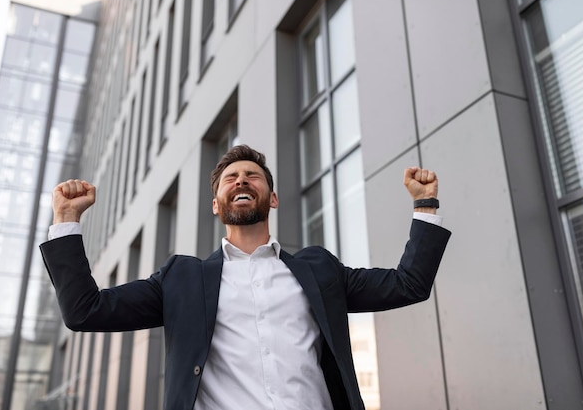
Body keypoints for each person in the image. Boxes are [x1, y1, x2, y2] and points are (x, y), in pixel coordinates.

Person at [40, 144, 451, 410]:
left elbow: (408, 284)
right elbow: (84, 311)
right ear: (217, 205)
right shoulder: (181, 280)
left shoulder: (318, 270)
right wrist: (66, 220)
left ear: (271, 198)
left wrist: (425, 205)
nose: (241, 180)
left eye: (252, 176)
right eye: (230, 178)